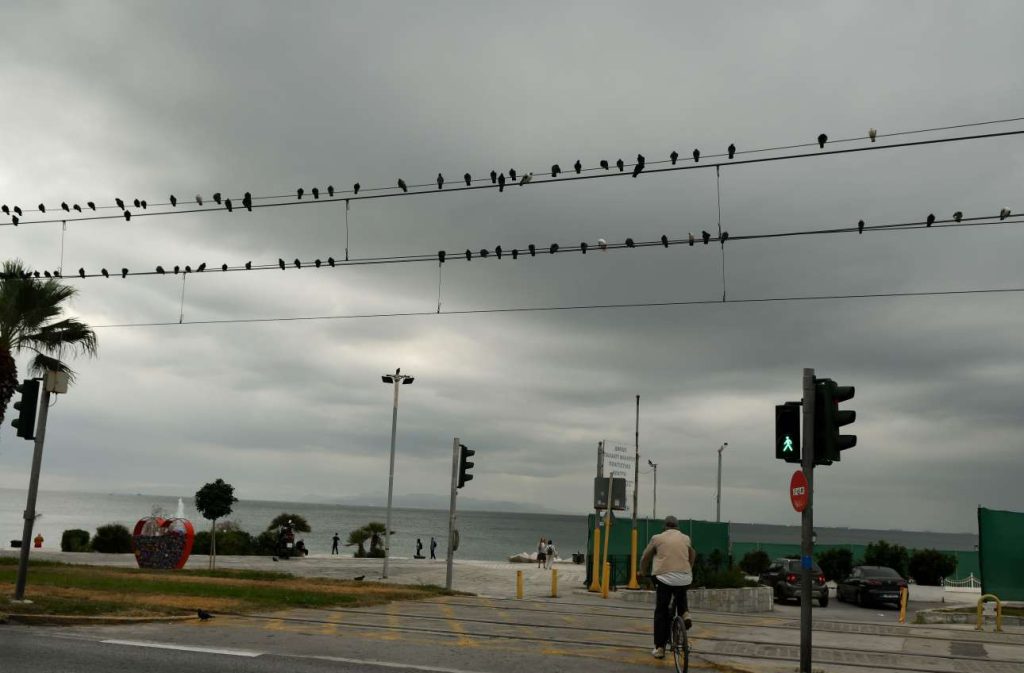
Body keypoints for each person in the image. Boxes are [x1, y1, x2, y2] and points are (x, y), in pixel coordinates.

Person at [639, 515, 696, 660]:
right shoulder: (686, 538)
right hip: (685, 576)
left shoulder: (657, 538)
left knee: (661, 611)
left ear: (664, 527)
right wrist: (688, 568)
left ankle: (660, 648)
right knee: (681, 591)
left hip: (664, 578)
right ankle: (685, 613)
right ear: (677, 527)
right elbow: (692, 554)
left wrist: (642, 572)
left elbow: (646, 557)